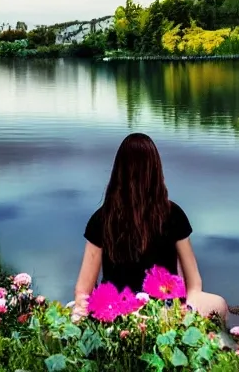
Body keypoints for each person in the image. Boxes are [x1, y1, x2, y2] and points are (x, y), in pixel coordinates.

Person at [73, 132, 228, 322]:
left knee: (74, 310)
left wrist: (83, 313)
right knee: (218, 304)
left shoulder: (101, 218)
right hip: (163, 313)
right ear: (155, 169)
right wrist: (189, 308)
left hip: (116, 312)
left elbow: (83, 290)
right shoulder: (173, 214)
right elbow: (194, 283)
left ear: (118, 171)